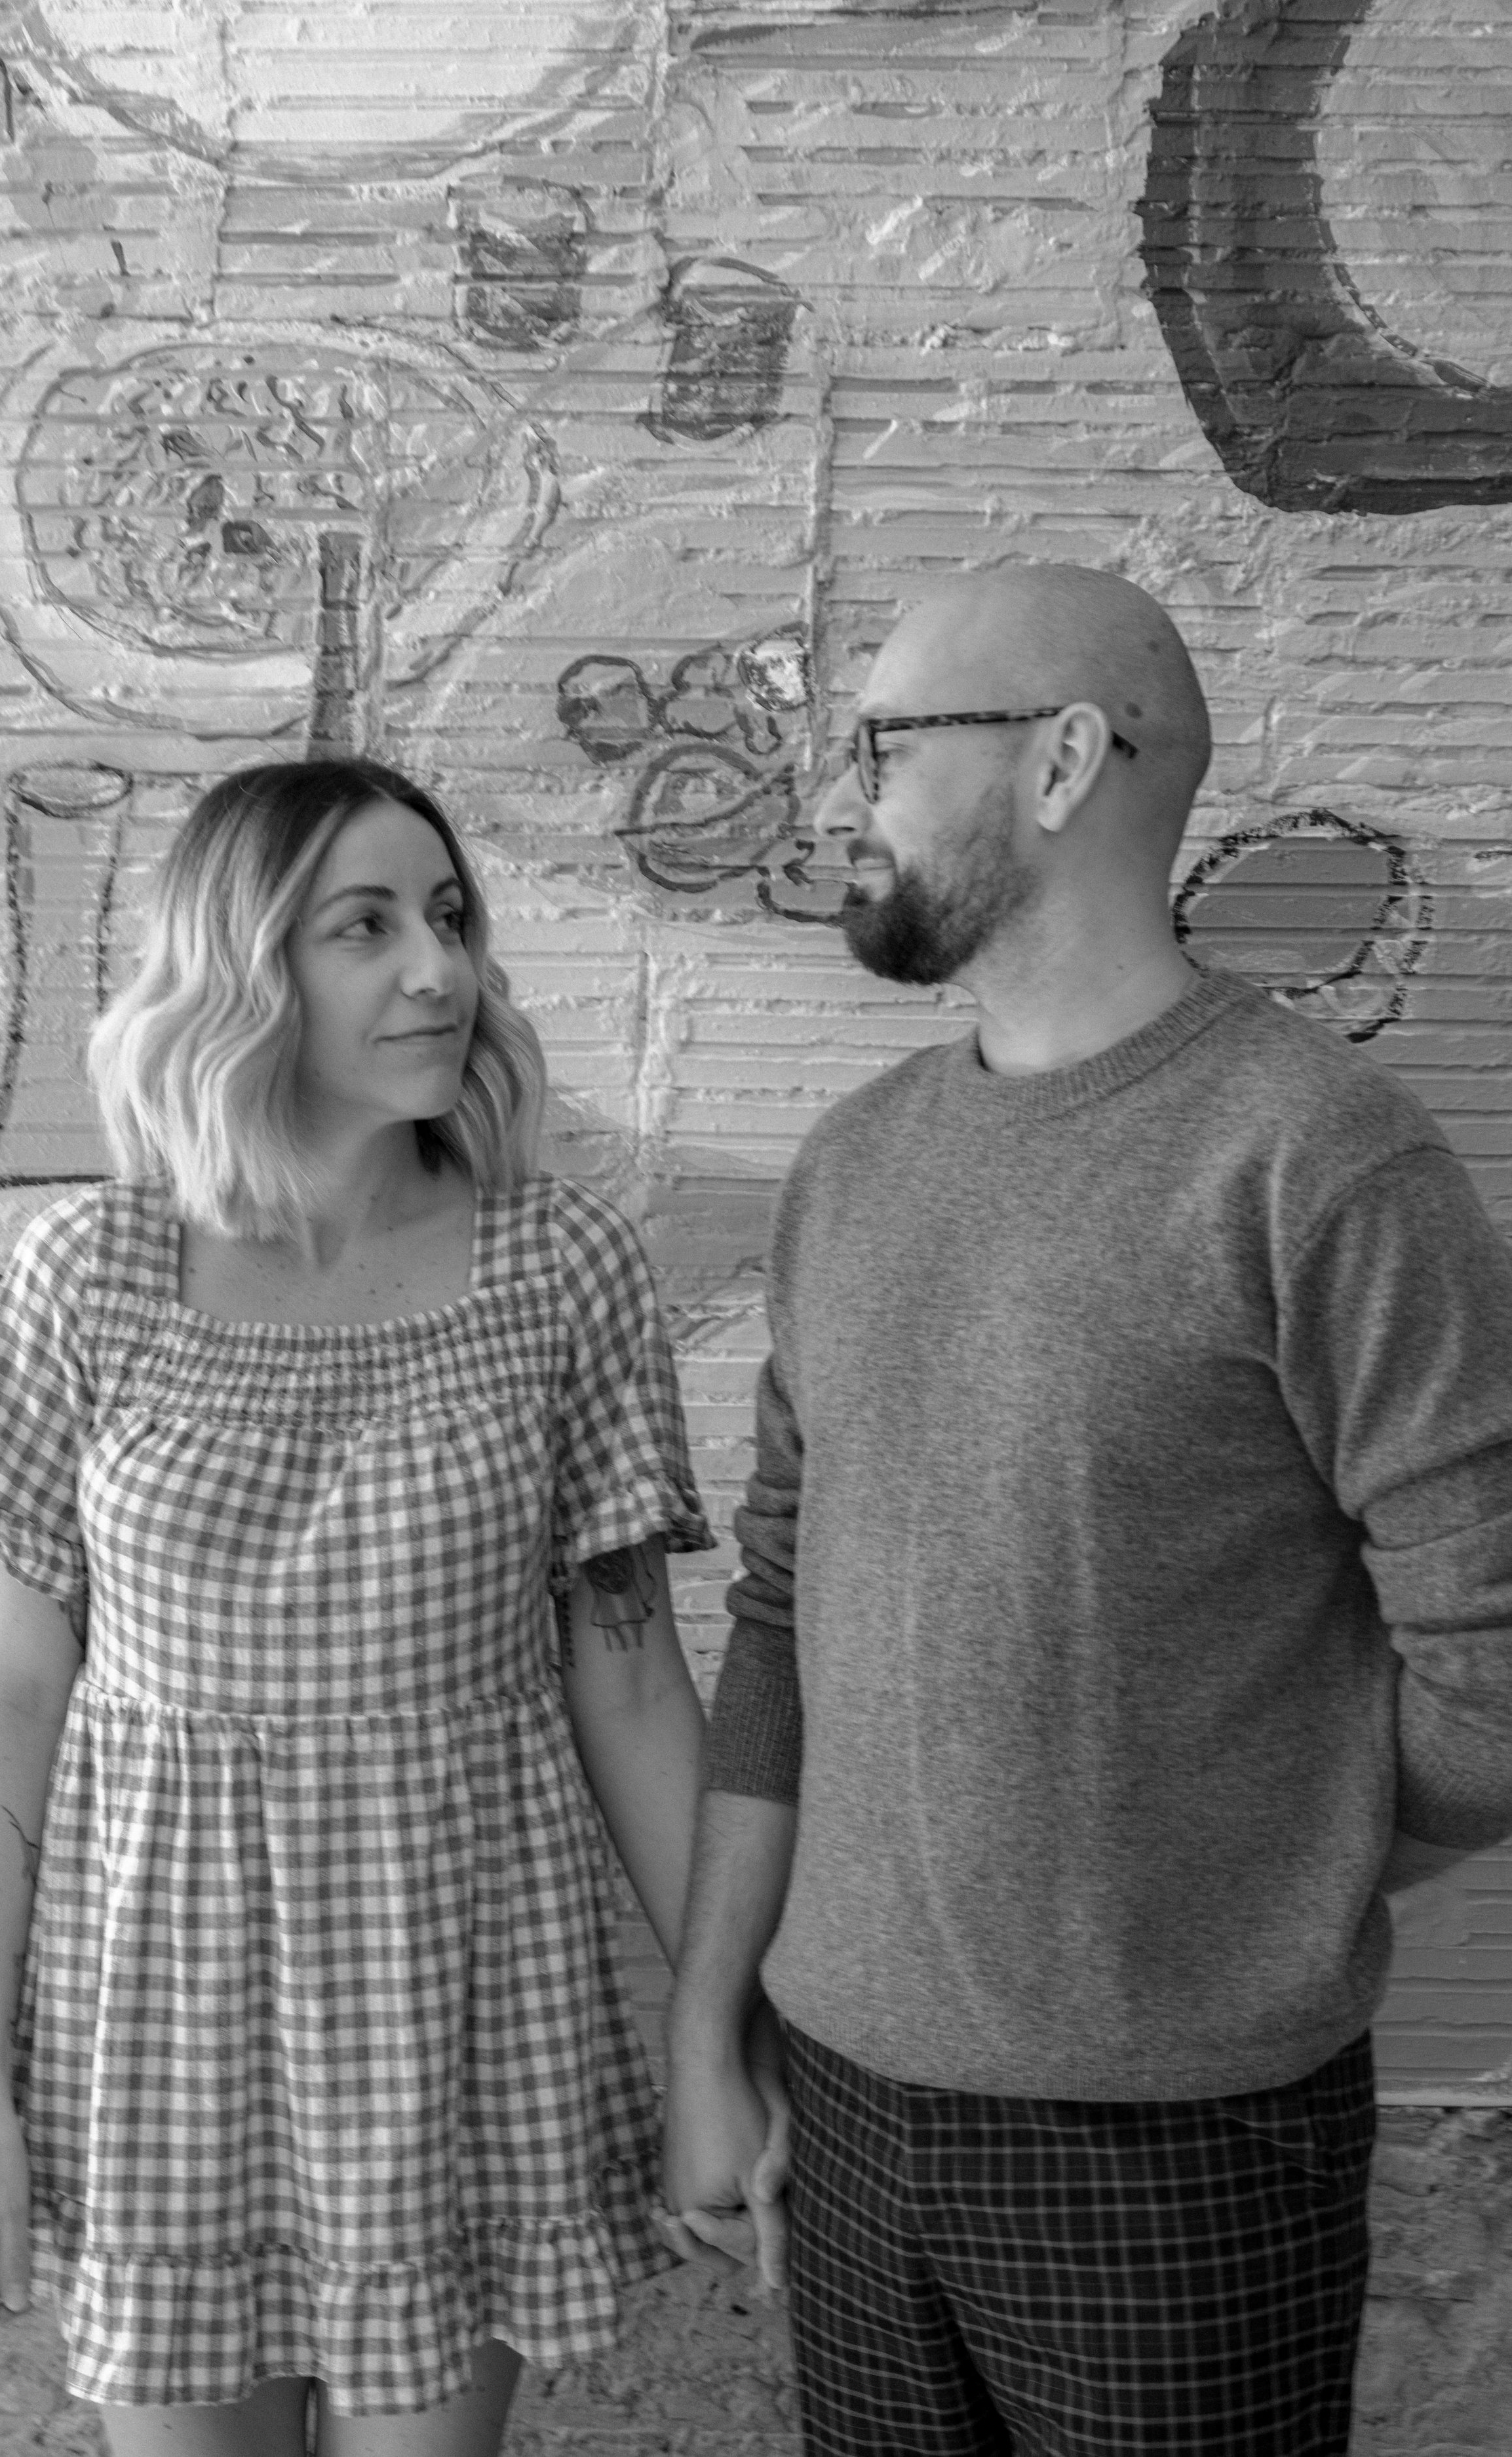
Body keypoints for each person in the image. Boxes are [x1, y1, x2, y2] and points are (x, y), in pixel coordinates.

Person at [659, 560, 1512, 2456]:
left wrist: (1257, 1874)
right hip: (848, 2109)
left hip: (1183, 2142)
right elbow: (779, 1626)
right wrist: (706, 2028)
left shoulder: (1316, 1156)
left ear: (1059, 761)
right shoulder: (853, 1165)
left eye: (886, 742)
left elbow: (1492, 1664)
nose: (847, 794)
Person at [0, 758, 714, 2457]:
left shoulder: (560, 1266)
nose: (437, 966)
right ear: (244, 965)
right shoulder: (86, 1271)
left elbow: (630, 1689)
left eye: (449, 915)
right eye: (365, 925)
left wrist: (725, 2030)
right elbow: (12, 1705)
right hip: (154, 2022)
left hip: (465, 2005)